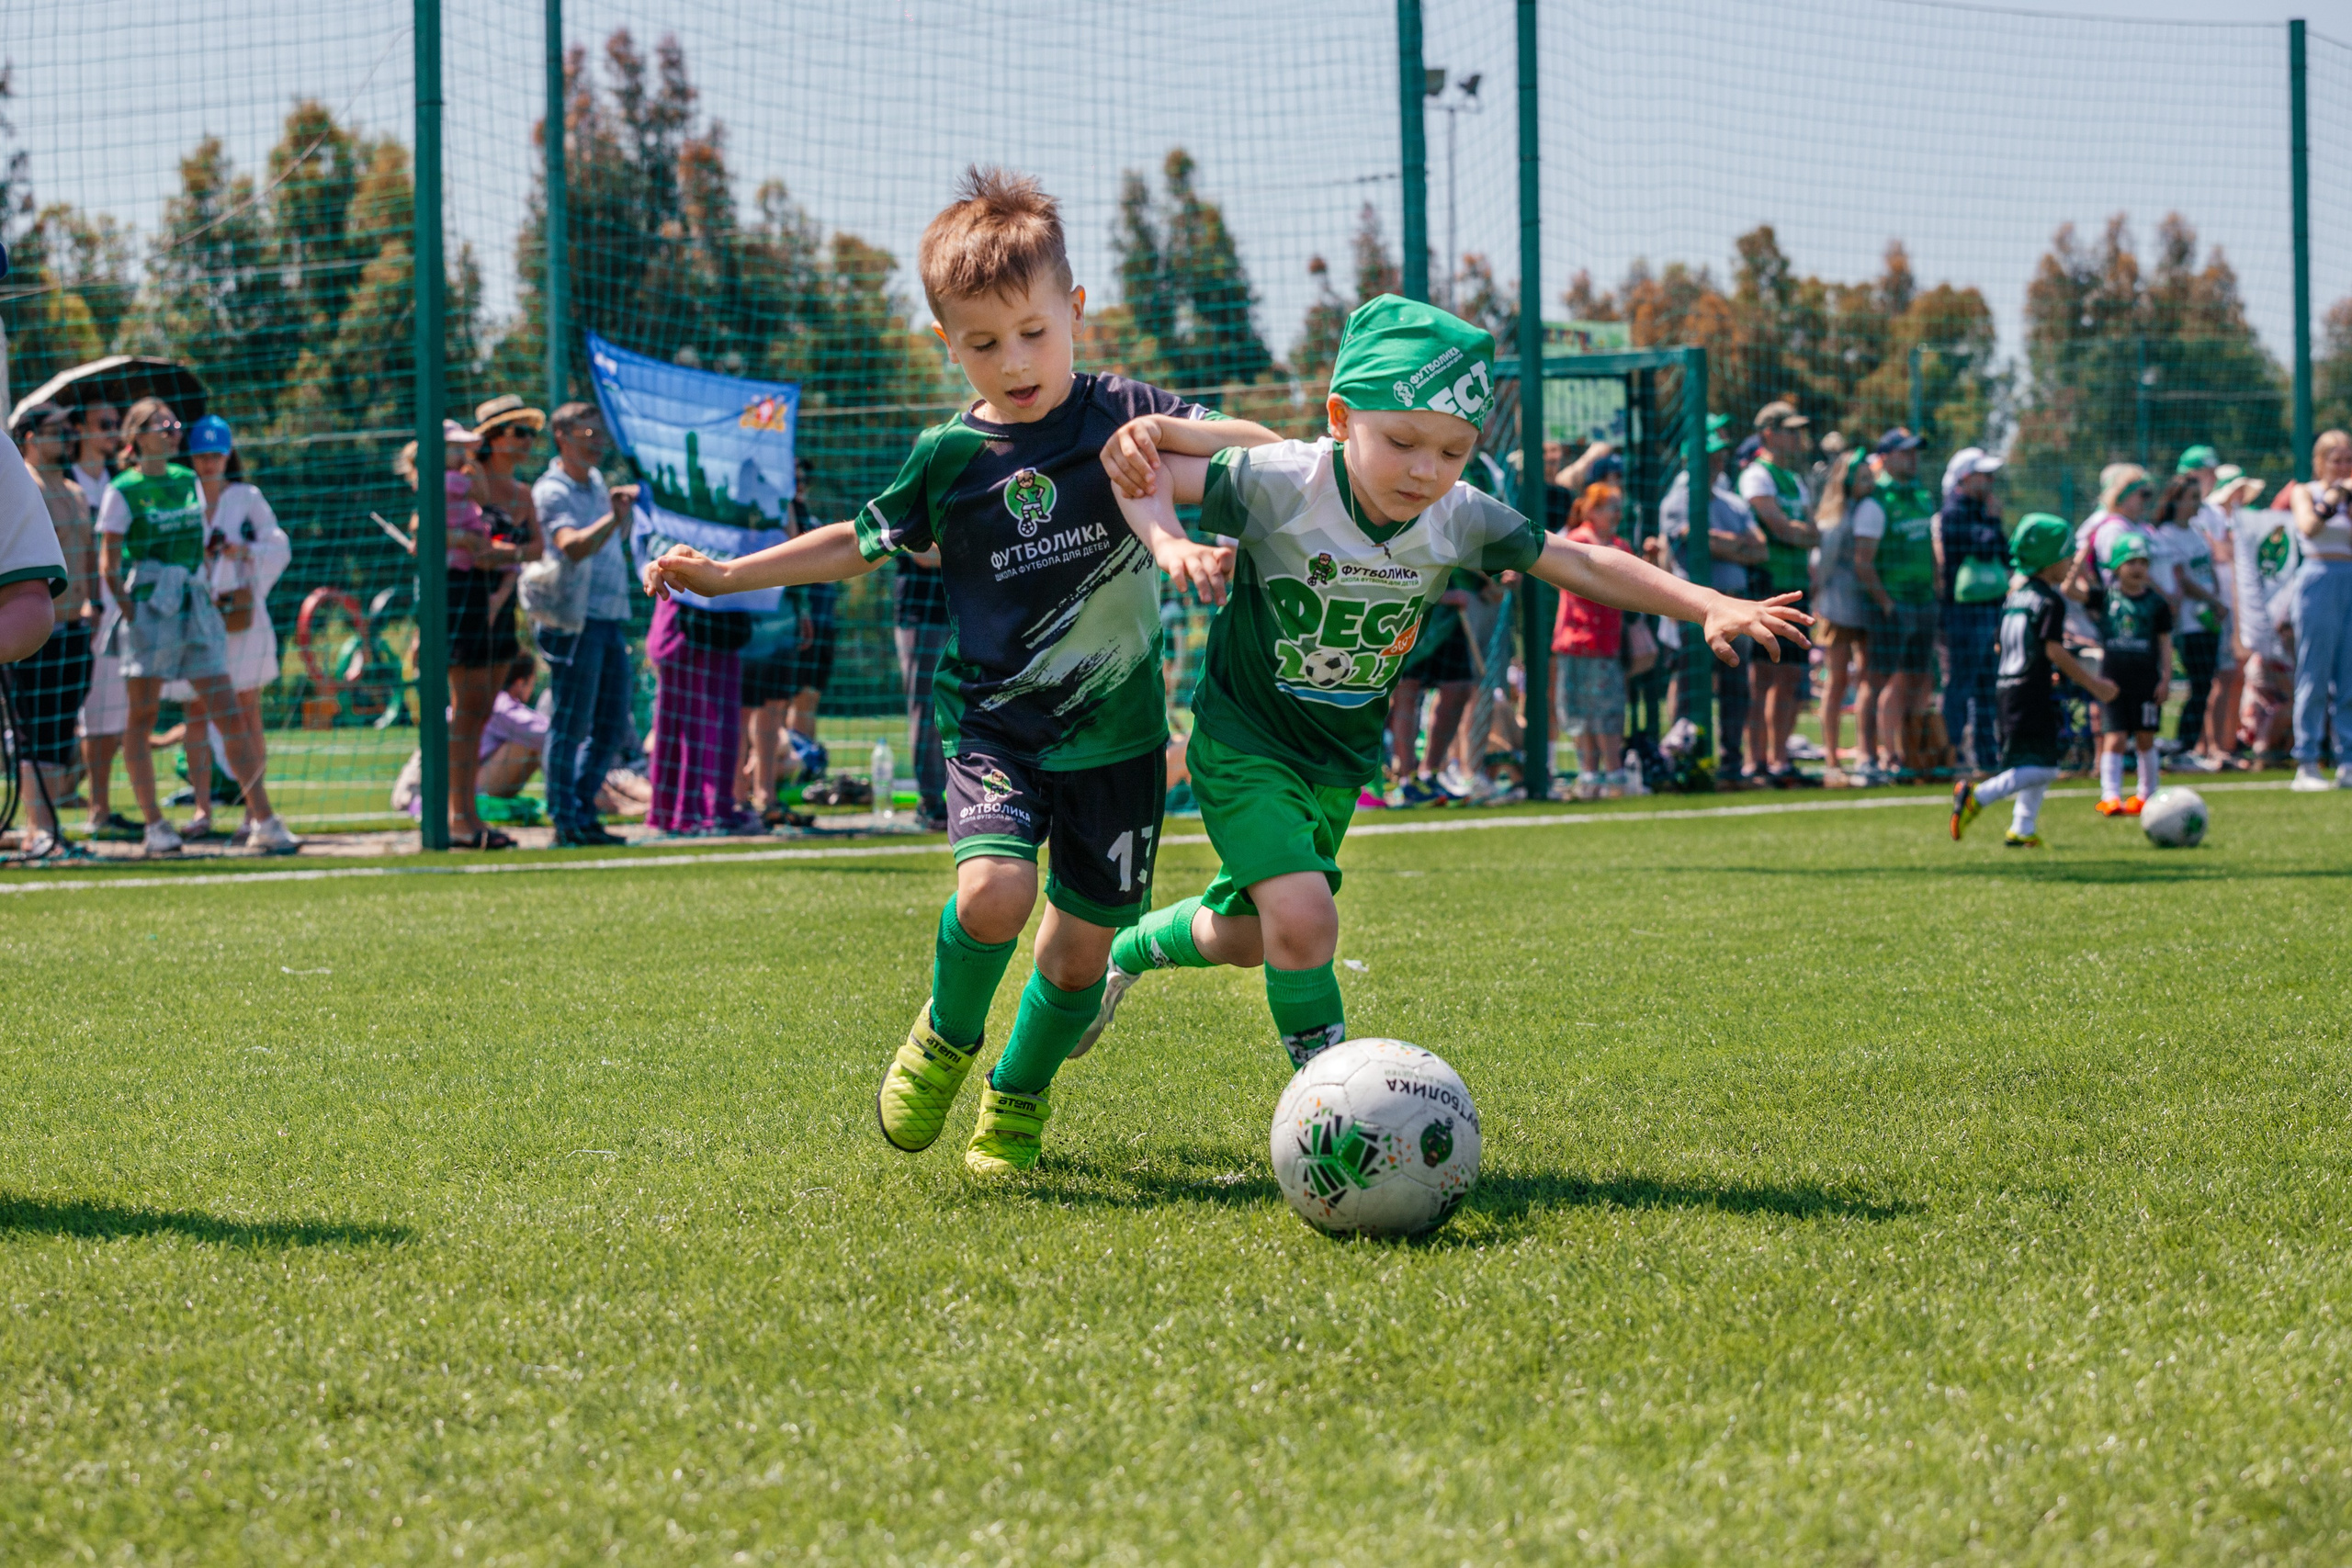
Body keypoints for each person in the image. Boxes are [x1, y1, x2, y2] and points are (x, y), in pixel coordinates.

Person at [640, 167, 1280, 1175]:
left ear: (1075, 311)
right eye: (981, 344)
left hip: (1118, 741)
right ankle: (945, 1034)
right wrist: (726, 577)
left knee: (1076, 954)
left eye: (1032, 332)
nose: (1013, 361)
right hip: (995, 729)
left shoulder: (1124, 411)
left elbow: (1265, 455)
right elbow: (855, 542)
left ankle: (1017, 1098)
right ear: (948, 343)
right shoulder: (947, 458)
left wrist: (1171, 433)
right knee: (991, 895)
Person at [1088, 294, 1809, 1075]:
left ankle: (1130, 949)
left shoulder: (1457, 515)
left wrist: (1707, 602)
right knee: (1305, 916)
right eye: (1401, 441)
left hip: (1338, 761)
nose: (1427, 470)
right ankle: (1334, 1103)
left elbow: (1579, 560)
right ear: (1340, 417)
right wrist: (1169, 539)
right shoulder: (1282, 482)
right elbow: (1141, 469)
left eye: (1453, 451)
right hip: (1245, 740)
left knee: (1250, 936)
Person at [98, 399, 296, 855]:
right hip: (151, 608)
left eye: (173, 424)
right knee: (143, 716)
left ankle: (264, 819)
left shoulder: (187, 481)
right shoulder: (123, 490)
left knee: (228, 710)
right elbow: (108, 565)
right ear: (137, 436)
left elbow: (199, 548)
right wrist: (133, 614)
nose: (172, 431)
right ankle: (155, 825)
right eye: (161, 425)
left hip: (194, 606)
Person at [1951, 515, 2117, 848]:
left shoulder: (2016, 596)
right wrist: (2093, 684)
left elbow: (2002, 644)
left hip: (2008, 689)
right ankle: (1977, 796)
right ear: (2049, 558)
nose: (2071, 562)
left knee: (2034, 760)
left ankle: (2022, 828)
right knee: (2046, 769)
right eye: (2066, 554)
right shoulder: (2049, 600)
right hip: (2030, 692)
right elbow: (2054, 650)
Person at [167, 415, 291, 843]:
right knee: (196, 711)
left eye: (216, 454)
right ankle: (202, 809)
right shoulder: (179, 495)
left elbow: (278, 545)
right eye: (201, 454)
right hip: (194, 618)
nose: (208, 462)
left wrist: (242, 551)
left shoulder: (246, 497)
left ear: (228, 455)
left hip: (240, 618)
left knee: (246, 709)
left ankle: (252, 812)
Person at [528, 400, 638, 848]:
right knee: (570, 724)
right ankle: (564, 818)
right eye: (587, 435)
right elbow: (570, 546)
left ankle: (582, 807)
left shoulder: (594, 482)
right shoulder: (551, 491)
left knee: (611, 724)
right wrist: (613, 519)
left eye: (600, 435)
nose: (598, 444)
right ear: (562, 437)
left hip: (609, 617)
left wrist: (620, 520)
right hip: (574, 623)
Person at [6, 403, 97, 856]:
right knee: (33, 733)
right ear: (28, 436)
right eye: (54, 429)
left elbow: (88, 555)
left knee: (60, 732)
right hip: (32, 633)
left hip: (75, 629)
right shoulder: (24, 486)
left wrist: (94, 606)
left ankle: (47, 827)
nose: (66, 435)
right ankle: (37, 828)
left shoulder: (75, 491)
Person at [1657, 416, 1766, 784]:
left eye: (1720, 456)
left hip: (1736, 607)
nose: (1718, 462)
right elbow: (1692, 542)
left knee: (1737, 689)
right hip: (1694, 611)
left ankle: (1731, 763)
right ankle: (1686, 761)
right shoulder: (1677, 499)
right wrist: (1734, 545)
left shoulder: (1732, 501)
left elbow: (1760, 549)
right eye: (1711, 456)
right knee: (1691, 687)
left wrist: (1719, 544)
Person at [1737, 401, 1820, 784]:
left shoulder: (1794, 479)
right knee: (1761, 677)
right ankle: (1755, 761)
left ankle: (1780, 759)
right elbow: (1779, 526)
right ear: (1768, 433)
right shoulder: (1757, 475)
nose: (1797, 438)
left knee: (1788, 676)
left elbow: (1808, 531)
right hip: (1764, 585)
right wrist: (1796, 532)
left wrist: (1796, 532)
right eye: (1789, 430)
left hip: (1794, 585)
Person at [68, 400, 138, 841]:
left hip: (118, 609)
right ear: (80, 430)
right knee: (90, 715)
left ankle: (102, 806)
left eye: (117, 424)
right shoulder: (66, 483)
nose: (114, 432)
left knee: (115, 714)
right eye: (104, 425)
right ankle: (88, 806)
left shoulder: (117, 483)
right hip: (77, 612)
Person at [1855, 428, 1940, 781]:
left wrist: (1935, 587)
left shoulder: (1921, 497)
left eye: (1915, 452)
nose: (1913, 458)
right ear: (1885, 457)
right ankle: (1867, 755)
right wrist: (1886, 603)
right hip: (1893, 606)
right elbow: (1863, 561)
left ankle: (1908, 754)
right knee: (1876, 682)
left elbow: (1930, 552)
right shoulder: (1875, 501)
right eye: (1905, 452)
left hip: (1924, 603)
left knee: (1918, 681)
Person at [1551, 481, 1634, 797]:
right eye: (1611, 505)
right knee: (1579, 713)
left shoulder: (1619, 545)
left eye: (1618, 506)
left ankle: (1614, 775)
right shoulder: (1576, 540)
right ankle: (1590, 776)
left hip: (1606, 642)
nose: (1617, 513)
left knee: (1608, 710)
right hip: (1576, 640)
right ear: (1592, 510)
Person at [2084, 531, 2173, 816]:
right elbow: (2070, 590)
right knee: (2116, 737)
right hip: (2112, 682)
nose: (2137, 569)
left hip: (2146, 680)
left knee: (2145, 737)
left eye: (2142, 562)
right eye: (2130, 562)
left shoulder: (2157, 604)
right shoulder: (2104, 597)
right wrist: (2080, 558)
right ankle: (2110, 795)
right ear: (2117, 567)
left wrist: (2166, 677)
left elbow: (2165, 642)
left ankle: (2148, 794)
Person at [2146, 469, 2228, 771]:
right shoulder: (2166, 534)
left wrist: (2217, 598)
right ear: (2176, 500)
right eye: (2193, 497)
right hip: (2190, 623)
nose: (2198, 503)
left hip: (2209, 618)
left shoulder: (2195, 531)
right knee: (2199, 683)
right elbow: (2182, 579)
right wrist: (2213, 600)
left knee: (2204, 684)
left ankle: (2185, 747)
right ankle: (2178, 746)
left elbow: (2207, 572)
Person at [1935, 446, 2008, 776]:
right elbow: (1983, 546)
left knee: (1987, 687)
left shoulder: (1981, 511)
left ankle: (1986, 755)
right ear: (1965, 478)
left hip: (1990, 610)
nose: (1991, 481)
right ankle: (1950, 752)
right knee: (1962, 684)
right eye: (1985, 475)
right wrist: (1993, 521)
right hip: (1964, 614)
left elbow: (2005, 554)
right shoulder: (1954, 512)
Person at [2288, 428, 2352, 791]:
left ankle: (2348, 760)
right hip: (2318, 578)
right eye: (2336, 460)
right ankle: (2307, 760)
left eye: (2348, 459)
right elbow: (2309, 527)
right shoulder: (2305, 491)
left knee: (2350, 678)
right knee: (2313, 673)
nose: (2343, 466)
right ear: (2321, 462)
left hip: (2350, 577)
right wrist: (2333, 496)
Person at [1810, 446, 1878, 783]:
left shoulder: (1867, 510)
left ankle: (1866, 752)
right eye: (1862, 477)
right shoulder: (1836, 517)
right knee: (1836, 682)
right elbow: (1823, 567)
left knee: (1866, 678)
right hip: (1838, 608)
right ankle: (1832, 757)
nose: (1869, 482)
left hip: (1864, 607)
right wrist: (1819, 599)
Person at [2229, 473, 2296, 764]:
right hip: (2271, 655)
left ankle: (2277, 750)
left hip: (2282, 656)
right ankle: (2265, 752)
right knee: (2284, 702)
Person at [895, 547, 952, 831]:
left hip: (962, 612)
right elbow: (923, 554)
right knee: (926, 709)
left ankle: (962, 795)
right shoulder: (908, 503)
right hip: (921, 615)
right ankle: (930, 801)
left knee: (962, 709)